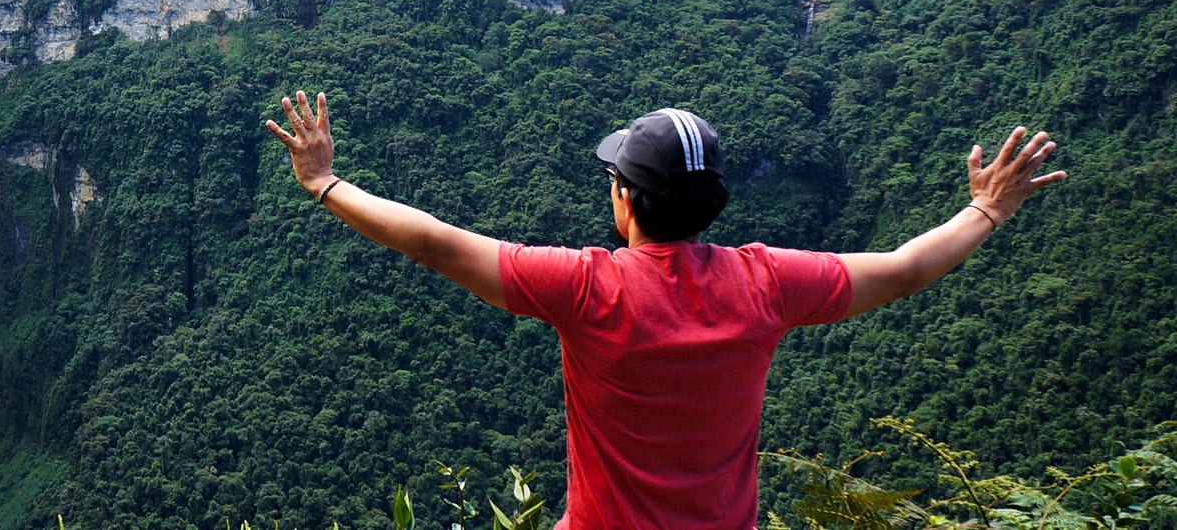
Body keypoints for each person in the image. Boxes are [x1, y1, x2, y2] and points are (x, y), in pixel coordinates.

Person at [264, 92, 1065, 530]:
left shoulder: (587, 288)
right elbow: (903, 270)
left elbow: (436, 243)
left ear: (624, 201)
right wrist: (987, 209)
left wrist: (324, 183)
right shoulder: (765, 283)